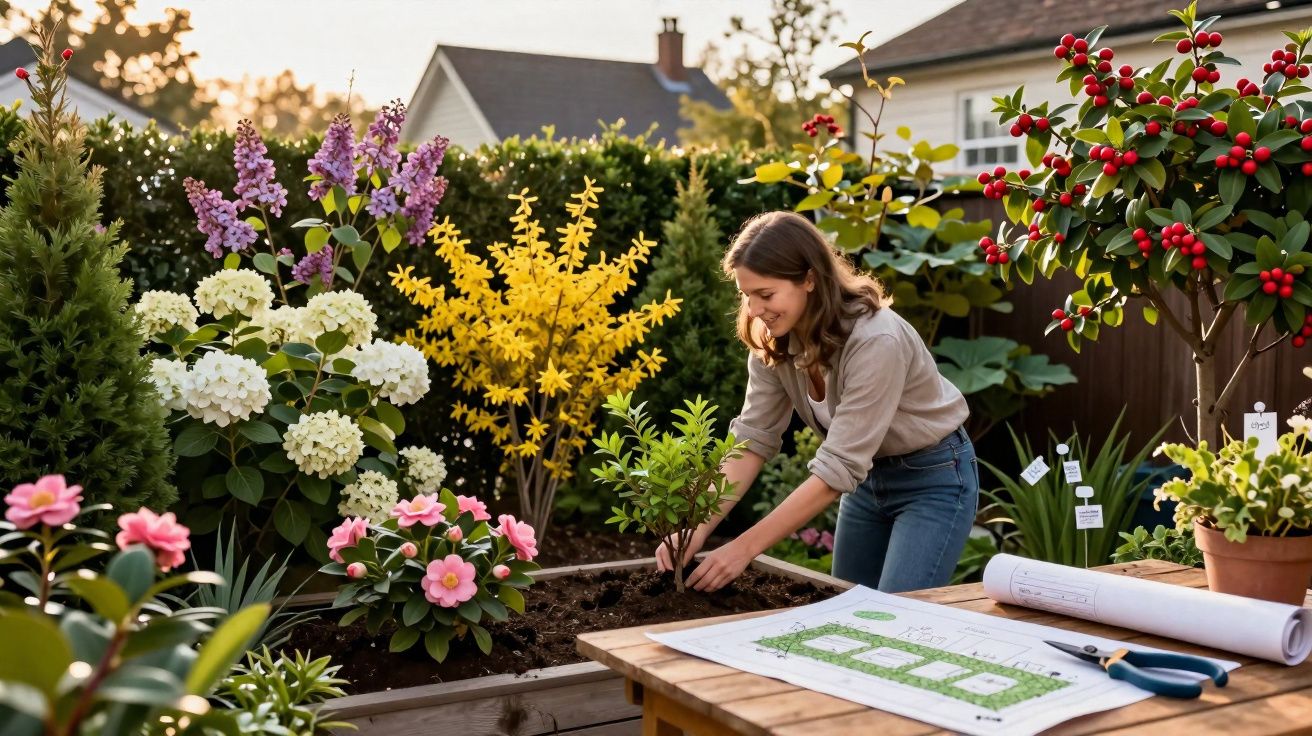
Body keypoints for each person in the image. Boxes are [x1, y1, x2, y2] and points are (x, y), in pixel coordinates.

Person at [656, 210, 977, 593]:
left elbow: (837, 466)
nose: (755, 311)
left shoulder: (876, 340)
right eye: (746, 295)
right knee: (846, 614)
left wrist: (743, 548)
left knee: (895, 621)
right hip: (866, 481)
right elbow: (752, 440)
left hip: (932, 477)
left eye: (766, 294)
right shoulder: (773, 339)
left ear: (809, 279)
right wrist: (696, 528)